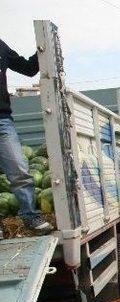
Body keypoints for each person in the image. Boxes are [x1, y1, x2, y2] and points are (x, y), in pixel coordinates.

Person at [0, 39, 53, 233]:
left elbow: (28, 68)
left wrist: (43, 47)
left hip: (1, 120)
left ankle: (30, 216)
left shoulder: (1, 46)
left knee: (18, 166)